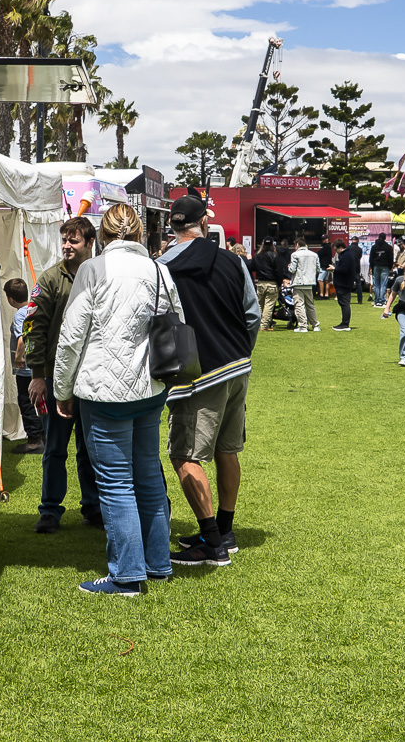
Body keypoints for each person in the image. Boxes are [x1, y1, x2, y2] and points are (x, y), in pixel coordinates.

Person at [54, 204, 180, 595]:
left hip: (104, 390)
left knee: (115, 484)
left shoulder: (92, 270)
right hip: (149, 388)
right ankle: (157, 564)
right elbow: (175, 321)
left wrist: (62, 389)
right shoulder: (158, 270)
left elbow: (71, 337)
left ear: (103, 235)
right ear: (139, 233)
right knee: (148, 476)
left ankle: (127, 575)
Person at [158, 194, 261, 565]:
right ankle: (224, 530)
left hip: (197, 375)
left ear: (171, 226)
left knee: (185, 455)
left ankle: (212, 543)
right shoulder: (233, 261)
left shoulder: (162, 267)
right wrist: (240, 350)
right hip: (237, 366)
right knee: (226, 449)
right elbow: (252, 315)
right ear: (204, 222)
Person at [24, 216, 103, 534]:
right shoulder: (49, 279)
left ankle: (93, 507)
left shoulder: (100, 274)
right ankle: (50, 510)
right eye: (65, 240)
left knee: (90, 448)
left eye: (74, 240)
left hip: (93, 376)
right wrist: (37, 375)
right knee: (55, 448)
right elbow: (33, 327)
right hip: (56, 378)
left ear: (90, 243)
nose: (67, 246)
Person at [7, 277, 44, 454]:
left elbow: (22, 338)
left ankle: (34, 441)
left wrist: (18, 358)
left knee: (26, 402)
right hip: (37, 365)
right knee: (39, 401)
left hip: (25, 368)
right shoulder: (32, 308)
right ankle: (43, 434)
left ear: (10, 299)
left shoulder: (19, 315)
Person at [285, 237, 321, 333]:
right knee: (310, 305)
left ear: (297, 245)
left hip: (298, 282)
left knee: (299, 305)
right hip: (310, 283)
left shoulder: (295, 255)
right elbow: (318, 269)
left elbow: (292, 269)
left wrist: (289, 267)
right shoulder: (314, 255)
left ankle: (303, 326)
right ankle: (315, 325)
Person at [251, 238, 282, 332]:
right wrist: (279, 283)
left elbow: (252, 267)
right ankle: (264, 326)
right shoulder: (275, 255)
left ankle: (256, 324)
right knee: (269, 305)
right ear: (273, 244)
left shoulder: (257, 255)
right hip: (272, 283)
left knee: (259, 305)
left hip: (260, 283)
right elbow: (278, 271)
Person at [330, 238, 360, 331]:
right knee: (344, 303)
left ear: (340, 247)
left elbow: (344, 269)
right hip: (345, 283)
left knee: (345, 304)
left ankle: (345, 324)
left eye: (336, 249)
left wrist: (334, 269)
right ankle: (344, 323)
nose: (336, 252)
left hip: (344, 284)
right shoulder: (347, 254)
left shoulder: (346, 255)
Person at [370, 234, 394, 305]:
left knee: (376, 284)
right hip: (385, 266)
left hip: (376, 266)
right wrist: (390, 267)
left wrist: (372, 267)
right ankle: (382, 300)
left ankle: (377, 300)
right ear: (385, 238)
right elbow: (391, 258)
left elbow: (371, 258)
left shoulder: (374, 247)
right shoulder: (388, 247)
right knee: (383, 284)